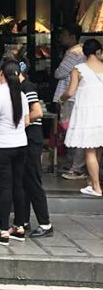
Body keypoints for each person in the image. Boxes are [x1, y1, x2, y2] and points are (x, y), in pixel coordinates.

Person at [0, 59, 29, 245]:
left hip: (2, 146)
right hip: (20, 144)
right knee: (18, 185)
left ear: (1, 74)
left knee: (5, 188)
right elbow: (27, 121)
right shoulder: (22, 95)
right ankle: (19, 227)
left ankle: (3, 231)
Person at [61, 38, 103, 198]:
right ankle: (92, 182)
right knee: (97, 148)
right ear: (98, 52)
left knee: (89, 150)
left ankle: (96, 187)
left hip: (88, 114)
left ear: (84, 53)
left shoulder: (79, 69)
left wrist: (61, 99)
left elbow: (70, 92)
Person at [19, 60, 53, 238]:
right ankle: (23, 220)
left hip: (32, 139)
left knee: (32, 181)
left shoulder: (27, 87)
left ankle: (45, 224)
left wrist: (21, 121)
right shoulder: (22, 87)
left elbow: (37, 112)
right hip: (26, 139)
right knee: (23, 181)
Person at [55, 25, 86, 180]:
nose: (61, 37)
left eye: (64, 34)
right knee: (73, 131)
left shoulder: (73, 53)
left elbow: (59, 72)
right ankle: (72, 163)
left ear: (73, 37)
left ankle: (75, 167)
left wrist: (61, 99)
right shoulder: (82, 52)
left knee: (71, 131)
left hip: (69, 98)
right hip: (76, 98)